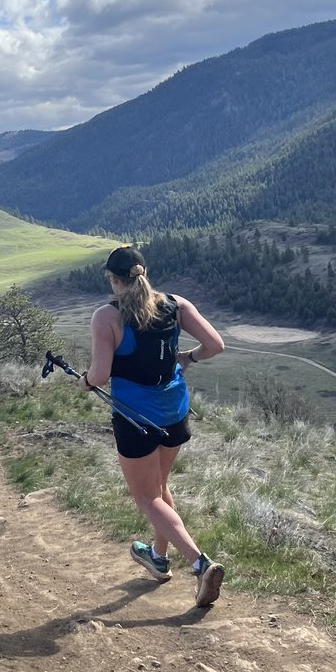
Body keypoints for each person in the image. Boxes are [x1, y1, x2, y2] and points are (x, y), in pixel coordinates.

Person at [80, 245, 227, 607]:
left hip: (135, 417)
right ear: (143, 274)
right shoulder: (176, 304)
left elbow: (99, 375)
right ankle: (158, 558)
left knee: (147, 497)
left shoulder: (107, 317)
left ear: (113, 280)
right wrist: (187, 357)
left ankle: (200, 562)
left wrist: (84, 381)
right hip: (175, 409)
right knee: (159, 487)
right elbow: (215, 345)